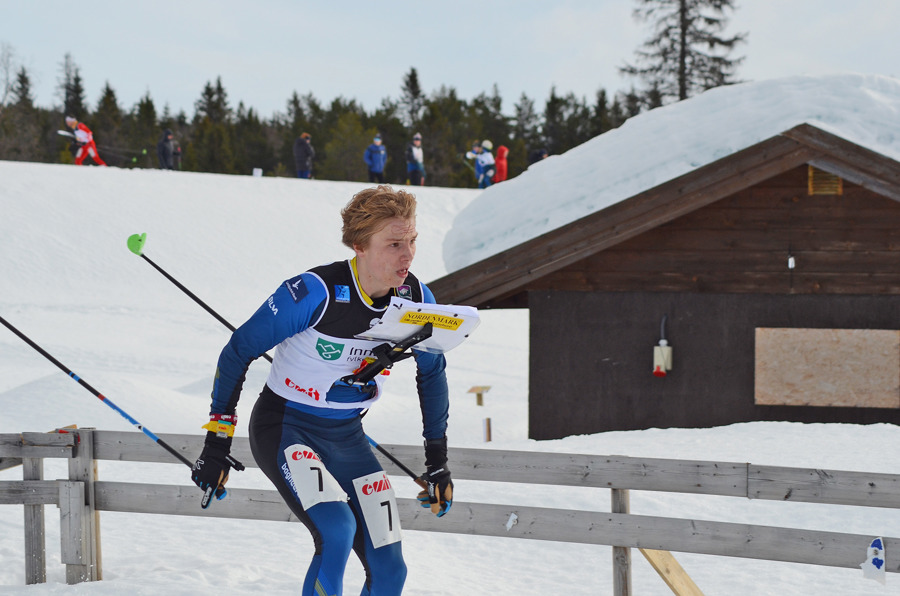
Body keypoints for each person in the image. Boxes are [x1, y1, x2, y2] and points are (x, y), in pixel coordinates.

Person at [190, 185, 453, 596]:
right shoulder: (316, 292)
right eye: (395, 243)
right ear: (360, 246)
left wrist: (437, 462)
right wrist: (216, 441)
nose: (408, 256)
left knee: (390, 570)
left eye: (413, 241)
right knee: (336, 530)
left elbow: (433, 372)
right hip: (286, 427)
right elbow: (238, 350)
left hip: (346, 436)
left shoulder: (416, 298)